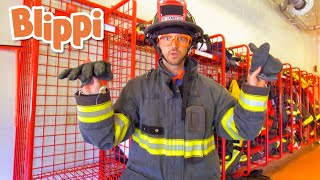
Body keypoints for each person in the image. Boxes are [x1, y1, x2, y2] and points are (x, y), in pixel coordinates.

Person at [59, 1, 273, 179]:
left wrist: (255, 89)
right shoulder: (137, 89)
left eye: (181, 38)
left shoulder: (213, 91)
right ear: (157, 43)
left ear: (190, 44)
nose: (174, 45)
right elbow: (106, 137)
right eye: (167, 38)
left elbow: (243, 129)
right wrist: (92, 96)